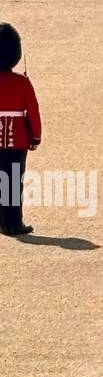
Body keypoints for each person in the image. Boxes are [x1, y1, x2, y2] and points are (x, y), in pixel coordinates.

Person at [0, 23, 42, 237]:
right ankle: (12, 222)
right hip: (17, 142)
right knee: (13, 184)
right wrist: (36, 136)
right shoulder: (22, 83)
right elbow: (32, 111)